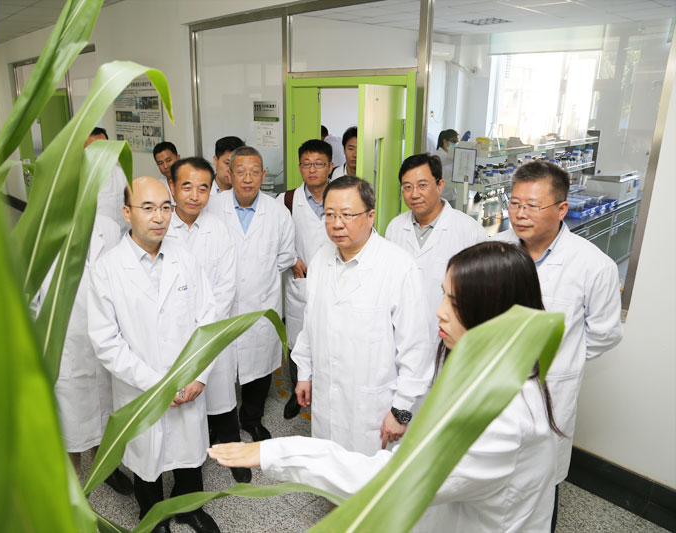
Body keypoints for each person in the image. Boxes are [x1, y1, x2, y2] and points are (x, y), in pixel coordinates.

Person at [209, 241, 561, 532]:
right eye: (443, 295)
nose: (439, 311)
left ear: (493, 313)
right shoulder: (488, 374)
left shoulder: (505, 418)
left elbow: (392, 479)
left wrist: (276, 453)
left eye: (454, 302)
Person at [494, 160, 622, 526]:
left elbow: (604, 333)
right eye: (515, 203)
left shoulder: (593, 266)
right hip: (495, 386)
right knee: (490, 481)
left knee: (538, 492)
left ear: (562, 208)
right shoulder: (494, 249)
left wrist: (560, 359)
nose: (520, 214)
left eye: (532, 206)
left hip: (550, 392)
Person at [89, 177, 220, 533]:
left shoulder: (184, 257)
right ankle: (152, 516)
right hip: (141, 386)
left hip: (188, 381)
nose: (159, 217)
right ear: (127, 212)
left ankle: (191, 508)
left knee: (188, 452)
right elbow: (106, 341)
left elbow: (208, 319)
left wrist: (200, 374)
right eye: (147, 208)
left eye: (165, 207)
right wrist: (158, 385)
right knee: (146, 458)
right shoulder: (107, 269)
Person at [291, 176, 433, 455]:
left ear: (370, 216)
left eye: (347, 214)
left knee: (373, 476)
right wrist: (304, 373)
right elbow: (310, 325)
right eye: (329, 214)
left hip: (374, 407)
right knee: (329, 468)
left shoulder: (398, 267)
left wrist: (401, 410)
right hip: (327, 399)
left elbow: (416, 349)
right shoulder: (320, 260)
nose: (336, 223)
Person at [164, 157, 250, 484]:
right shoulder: (160, 226)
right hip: (171, 334)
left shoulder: (218, 229)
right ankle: (189, 468)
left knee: (222, 398)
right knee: (182, 408)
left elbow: (226, 287)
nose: (195, 196)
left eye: (203, 188)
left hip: (212, 330)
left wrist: (206, 329)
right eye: (187, 187)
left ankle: (233, 454)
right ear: (172, 187)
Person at [32, 214, 132, 496]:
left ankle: (106, 469)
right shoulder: (40, 233)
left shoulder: (109, 227)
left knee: (106, 415)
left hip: (107, 342)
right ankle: (72, 488)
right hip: (65, 348)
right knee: (71, 425)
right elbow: (28, 301)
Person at [205, 146, 296, 442]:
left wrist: (259, 273)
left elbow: (285, 256)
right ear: (229, 173)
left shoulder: (278, 212)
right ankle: (221, 424)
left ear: (263, 174)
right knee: (219, 369)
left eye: (254, 172)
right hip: (222, 305)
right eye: (240, 171)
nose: (247, 179)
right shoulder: (212, 207)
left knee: (259, 368)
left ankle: (252, 419)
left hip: (261, 303)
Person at [385, 154, 487, 331]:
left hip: (449, 333)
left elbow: (483, 292)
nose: (414, 194)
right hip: (402, 332)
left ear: (440, 185)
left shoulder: (469, 231)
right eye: (407, 187)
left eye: (422, 185)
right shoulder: (395, 228)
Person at [277, 139, 334, 420]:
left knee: (331, 339)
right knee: (297, 340)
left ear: (330, 167)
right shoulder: (286, 200)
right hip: (300, 281)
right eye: (306, 164)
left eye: (319, 164)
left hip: (335, 283)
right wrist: (291, 258)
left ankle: (325, 393)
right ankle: (296, 394)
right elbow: (275, 239)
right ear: (299, 167)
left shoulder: (342, 196)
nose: (312, 170)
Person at [86, 127, 129, 230]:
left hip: (120, 235)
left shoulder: (119, 174)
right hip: (91, 238)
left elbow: (130, 206)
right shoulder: (73, 179)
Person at [434, 129, 459, 202]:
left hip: (453, 195)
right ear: (445, 141)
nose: (455, 144)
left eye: (456, 142)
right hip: (442, 196)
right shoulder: (439, 155)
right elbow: (451, 157)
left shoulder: (450, 155)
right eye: (453, 141)